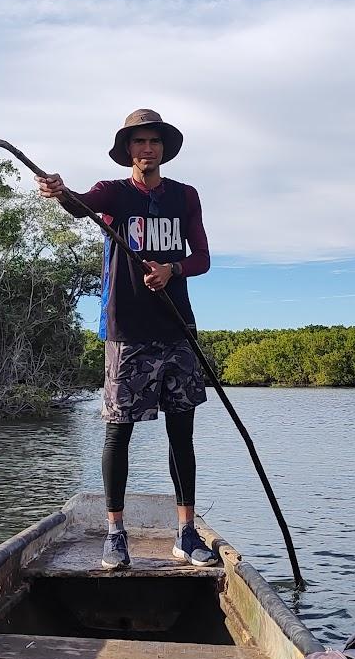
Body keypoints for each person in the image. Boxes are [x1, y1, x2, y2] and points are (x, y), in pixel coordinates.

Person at [36, 108, 220, 570]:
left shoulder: (184, 196)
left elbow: (202, 257)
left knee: (183, 431)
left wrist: (171, 269)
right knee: (119, 431)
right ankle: (116, 535)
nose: (147, 149)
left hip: (178, 328)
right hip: (128, 329)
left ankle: (186, 532)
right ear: (128, 150)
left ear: (163, 149)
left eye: (154, 141)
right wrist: (60, 192)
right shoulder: (113, 193)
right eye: (139, 142)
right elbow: (79, 203)